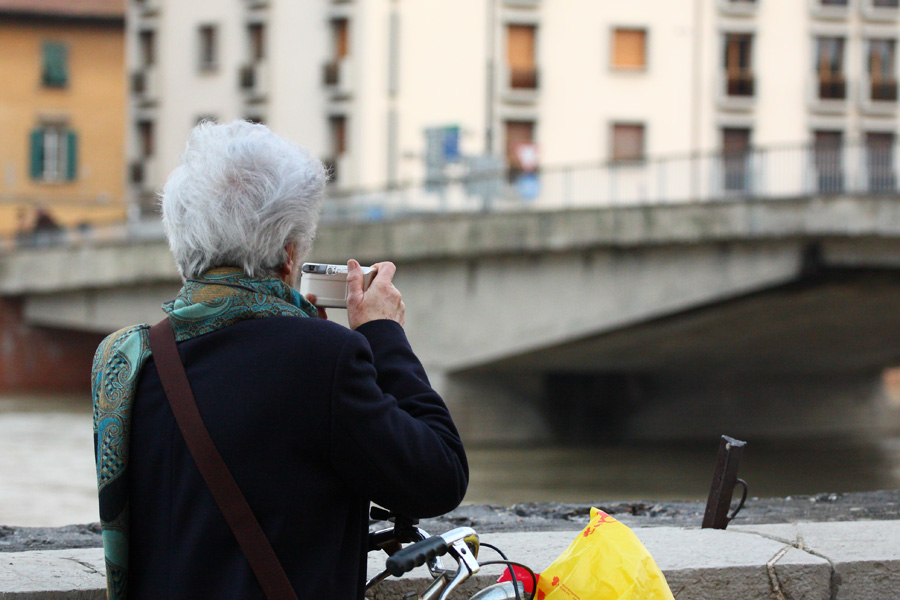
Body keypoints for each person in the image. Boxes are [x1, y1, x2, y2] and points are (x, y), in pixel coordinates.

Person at [91, 121, 468, 600]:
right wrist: (383, 334)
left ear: (183, 244)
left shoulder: (125, 359)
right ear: (290, 255)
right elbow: (440, 476)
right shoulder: (323, 357)